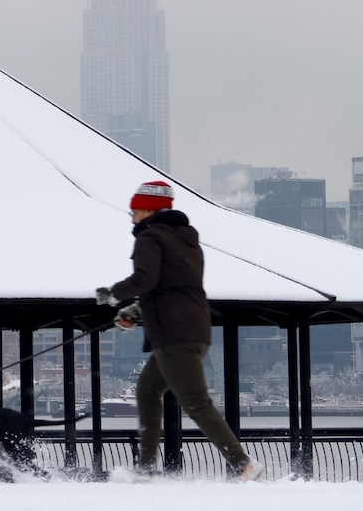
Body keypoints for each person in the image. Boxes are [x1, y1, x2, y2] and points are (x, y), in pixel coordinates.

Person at [106, 180, 263, 481]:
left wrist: (112, 295)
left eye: (134, 211)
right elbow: (170, 289)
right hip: (192, 329)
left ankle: (242, 464)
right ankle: (146, 467)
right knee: (147, 392)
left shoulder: (150, 238)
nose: (132, 218)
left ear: (148, 210)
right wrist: (133, 311)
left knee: (195, 401)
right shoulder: (186, 241)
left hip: (173, 334)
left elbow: (144, 280)